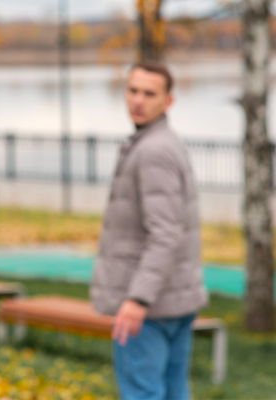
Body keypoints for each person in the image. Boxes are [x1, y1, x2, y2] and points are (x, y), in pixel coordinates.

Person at [90, 62, 208, 400]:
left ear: (168, 101)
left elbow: (166, 233)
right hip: (173, 299)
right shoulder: (161, 142)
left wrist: (138, 299)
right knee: (173, 391)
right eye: (133, 90)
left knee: (143, 393)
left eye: (149, 93)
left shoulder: (153, 150)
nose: (138, 100)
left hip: (147, 306)